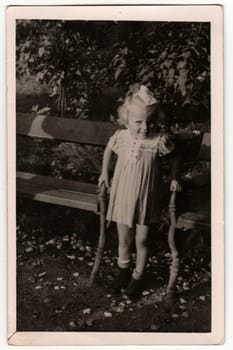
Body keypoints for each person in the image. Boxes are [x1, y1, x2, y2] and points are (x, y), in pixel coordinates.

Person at [98, 85, 181, 298]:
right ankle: (122, 271)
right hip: (123, 195)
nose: (145, 127)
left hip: (145, 197)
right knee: (124, 238)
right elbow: (109, 149)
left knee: (142, 240)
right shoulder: (122, 136)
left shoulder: (157, 140)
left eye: (150, 121)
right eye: (138, 122)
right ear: (126, 120)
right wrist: (105, 174)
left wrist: (174, 177)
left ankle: (138, 276)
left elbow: (174, 157)